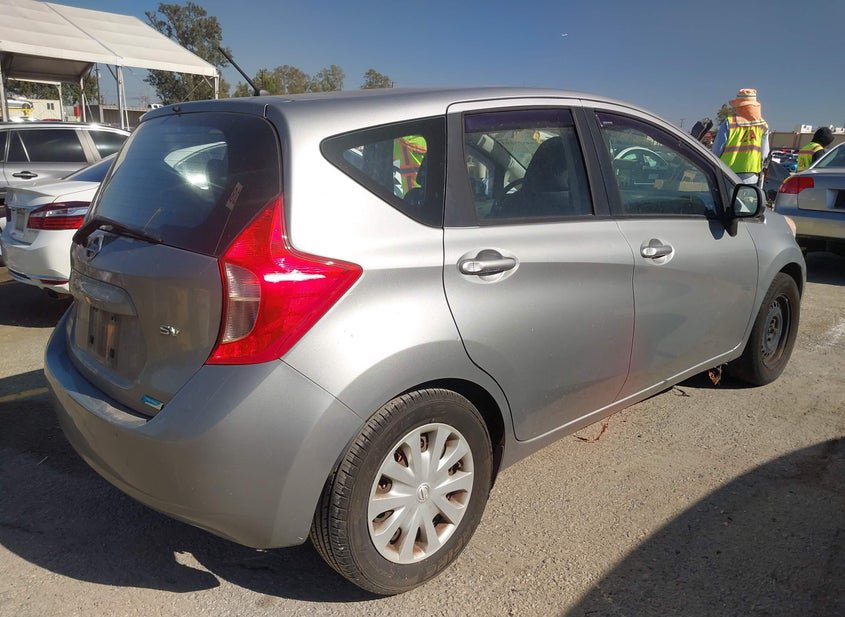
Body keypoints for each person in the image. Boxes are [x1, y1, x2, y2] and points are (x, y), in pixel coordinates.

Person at [712, 88, 770, 185]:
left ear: (740, 106)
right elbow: (764, 154)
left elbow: (717, 150)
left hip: (727, 172)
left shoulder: (729, 123)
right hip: (751, 174)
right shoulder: (763, 126)